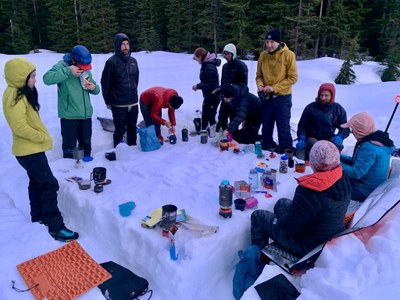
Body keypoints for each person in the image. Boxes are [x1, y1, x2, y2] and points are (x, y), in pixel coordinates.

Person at [2, 58, 79, 242]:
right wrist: (41, 137)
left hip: (28, 149)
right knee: (49, 184)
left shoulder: (18, 92)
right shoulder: (15, 97)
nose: (35, 80)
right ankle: (56, 227)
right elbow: (19, 126)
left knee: (36, 182)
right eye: (33, 76)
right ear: (22, 77)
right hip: (29, 151)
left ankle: (38, 217)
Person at [251, 140, 351, 258]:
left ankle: (257, 259)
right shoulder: (342, 177)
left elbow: (289, 228)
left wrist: (279, 213)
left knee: (258, 216)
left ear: (314, 162)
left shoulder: (311, 189)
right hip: (327, 234)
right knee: (281, 202)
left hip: (307, 247)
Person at [43, 45, 100, 160]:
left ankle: (87, 166)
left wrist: (93, 87)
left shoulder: (86, 71)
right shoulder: (62, 66)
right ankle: (68, 172)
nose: (84, 69)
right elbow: (47, 79)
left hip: (86, 115)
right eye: (82, 66)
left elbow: (97, 90)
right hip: (69, 117)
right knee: (69, 147)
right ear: (74, 60)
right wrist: (68, 71)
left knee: (86, 145)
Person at [256, 29, 298, 153]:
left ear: (278, 42)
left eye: (272, 42)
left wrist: (274, 88)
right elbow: (259, 75)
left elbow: (293, 78)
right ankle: (267, 151)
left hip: (282, 98)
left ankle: (287, 153)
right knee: (266, 127)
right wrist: (260, 85)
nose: (269, 45)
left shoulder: (288, 55)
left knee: (283, 129)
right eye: (267, 42)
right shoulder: (263, 56)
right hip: (267, 98)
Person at [340, 112, 395, 202]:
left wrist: (336, 163)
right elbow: (357, 163)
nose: (352, 132)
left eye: (353, 129)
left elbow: (356, 173)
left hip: (364, 192)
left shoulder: (369, 147)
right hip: (369, 186)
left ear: (360, 130)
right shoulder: (377, 141)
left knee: (331, 186)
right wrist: (339, 157)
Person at [101, 33, 140, 148]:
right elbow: (105, 83)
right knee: (120, 130)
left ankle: (133, 150)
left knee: (133, 128)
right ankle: (118, 152)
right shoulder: (111, 62)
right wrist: (107, 101)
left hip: (133, 102)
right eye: (123, 44)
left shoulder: (133, 61)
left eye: (127, 44)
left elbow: (136, 80)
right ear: (118, 46)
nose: (125, 47)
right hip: (118, 104)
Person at [296, 83, 350, 161]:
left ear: (332, 96)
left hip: (329, 138)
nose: (323, 98)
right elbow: (302, 126)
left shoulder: (338, 109)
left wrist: (340, 136)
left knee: (337, 147)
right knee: (312, 144)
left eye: (326, 95)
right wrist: (302, 137)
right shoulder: (311, 107)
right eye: (321, 95)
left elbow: (345, 127)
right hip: (312, 137)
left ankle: (331, 166)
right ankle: (309, 164)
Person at [216, 43, 249, 132]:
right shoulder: (225, 66)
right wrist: (219, 90)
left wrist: (235, 94)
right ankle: (221, 137)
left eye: (228, 54)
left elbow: (244, 86)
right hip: (225, 97)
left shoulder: (241, 66)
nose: (226, 56)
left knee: (233, 120)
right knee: (222, 118)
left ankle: (231, 138)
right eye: (225, 53)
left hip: (236, 99)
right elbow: (223, 83)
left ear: (233, 54)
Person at [192, 47, 221, 137]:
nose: (196, 60)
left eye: (196, 58)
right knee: (205, 112)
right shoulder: (205, 64)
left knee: (211, 116)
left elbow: (210, 85)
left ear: (200, 57)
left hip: (213, 96)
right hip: (208, 95)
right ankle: (204, 130)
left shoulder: (209, 67)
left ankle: (213, 135)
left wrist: (198, 86)